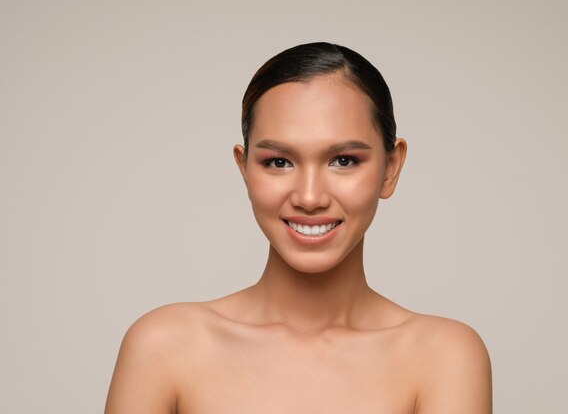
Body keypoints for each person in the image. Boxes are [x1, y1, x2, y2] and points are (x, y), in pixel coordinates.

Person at [104, 42, 492, 413]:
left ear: (390, 169)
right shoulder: (163, 347)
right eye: (278, 162)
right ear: (244, 169)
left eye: (343, 160)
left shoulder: (444, 356)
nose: (309, 197)